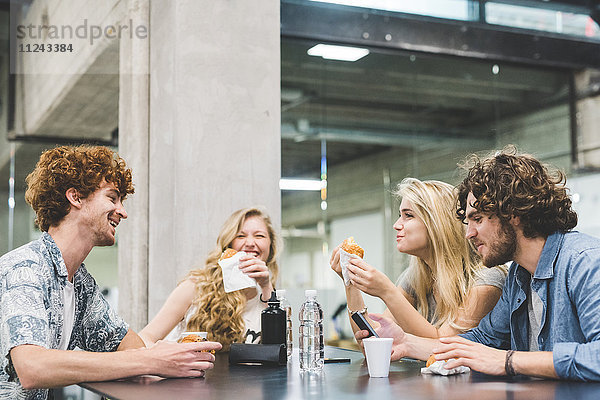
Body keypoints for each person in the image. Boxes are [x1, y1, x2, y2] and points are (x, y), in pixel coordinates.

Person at [357, 147, 600, 381]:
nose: (468, 233)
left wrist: (508, 361)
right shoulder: (519, 275)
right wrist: (406, 343)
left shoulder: (584, 262)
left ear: (513, 213)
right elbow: (482, 340)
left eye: (478, 219)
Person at [0, 146, 221, 399]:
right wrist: (151, 360)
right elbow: (32, 367)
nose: (123, 212)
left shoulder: (81, 284)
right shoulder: (25, 268)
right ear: (76, 197)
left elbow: (129, 347)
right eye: (112, 198)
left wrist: (163, 356)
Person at [330, 178, 506, 342]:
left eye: (408, 215)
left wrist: (387, 292)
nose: (397, 224)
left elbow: (441, 345)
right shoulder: (417, 277)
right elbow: (374, 340)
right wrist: (350, 281)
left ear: (437, 223)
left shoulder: (486, 279)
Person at [139, 207, 281, 349]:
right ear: (229, 244)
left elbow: (281, 350)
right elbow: (144, 339)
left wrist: (266, 286)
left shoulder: (270, 298)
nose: (250, 243)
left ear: (270, 246)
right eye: (240, 236)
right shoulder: (196, 287)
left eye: (259, 236)